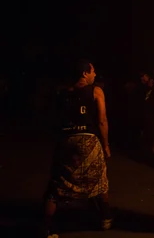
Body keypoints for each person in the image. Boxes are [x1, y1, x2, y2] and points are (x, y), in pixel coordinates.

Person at [40, 60, 111, 238]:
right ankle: (105, 218)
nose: (95, 75)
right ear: (84, 73)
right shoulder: (96, 91)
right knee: (100, 180)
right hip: (89, 140)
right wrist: (106, 145)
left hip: (66, 139)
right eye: (93, 71)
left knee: (56, 185)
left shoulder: (62, 93)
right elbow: (102, 121)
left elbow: (53, 119)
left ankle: (47, 228)